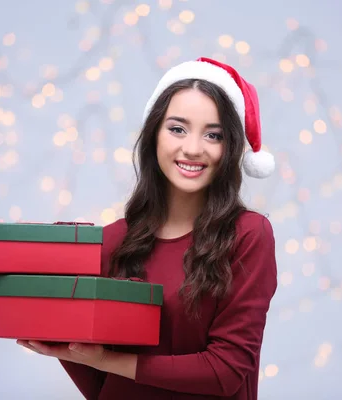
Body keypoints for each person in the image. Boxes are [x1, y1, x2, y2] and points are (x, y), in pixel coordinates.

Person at [17, 57, 278, 399]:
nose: (193, 148)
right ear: (154, 135)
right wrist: (61, 343)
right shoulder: (112, 241)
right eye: (177, 129)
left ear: (229, 148)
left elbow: (225, 371)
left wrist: (108, 360)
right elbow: (99, 384)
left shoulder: (248, 236)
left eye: (213, 134)